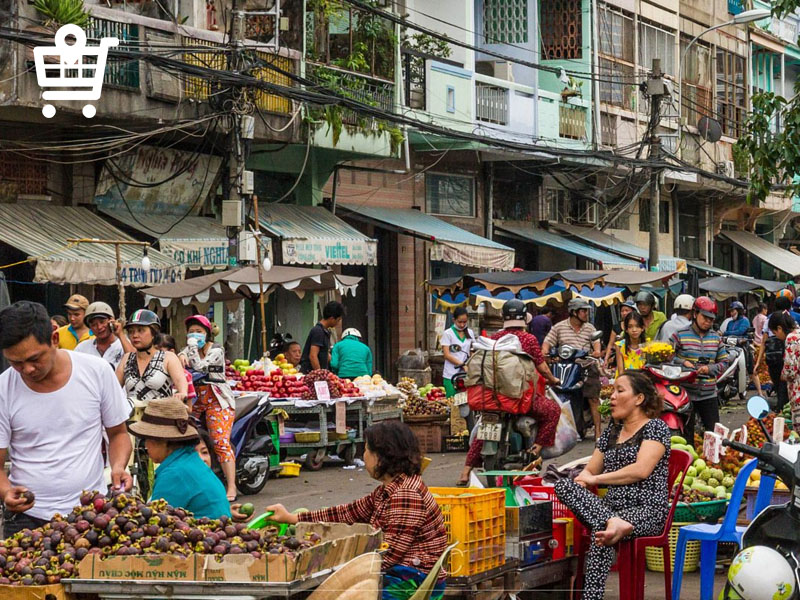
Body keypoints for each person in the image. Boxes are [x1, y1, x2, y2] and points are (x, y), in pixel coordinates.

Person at [265, 421, 448, 600]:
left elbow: (389, 554)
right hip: (399, 570)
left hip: (411, 579)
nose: (364, 455)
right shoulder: (389, 488)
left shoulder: (406, 494)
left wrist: (340, 565)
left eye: (367, 449)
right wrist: (293, 518)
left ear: (383, 456)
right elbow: (349, 513)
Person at [0, 301, 132, 536]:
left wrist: (119, 467)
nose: (28, 369)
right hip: (26, 518)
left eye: (34, 359)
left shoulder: (97, 371)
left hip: (90, 513)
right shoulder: (3, 388)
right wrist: (5, 491)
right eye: (16, 363)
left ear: (54, 339)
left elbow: (118, 433)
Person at [554, 371, 671, 600]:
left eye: (620, 390)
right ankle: (613, 524)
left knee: (601, 529)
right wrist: (583, 478)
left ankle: (592, 595)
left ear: (639, 399)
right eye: (612, 391)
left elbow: (641, 470)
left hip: (646, 511)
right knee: (564, 487)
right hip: (612, 511)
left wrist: (595, 480)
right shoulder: (612, 431)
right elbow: (591, 469)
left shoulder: (656, 428)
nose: (612, 398)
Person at [458, 299, 562, 486]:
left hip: (492, 399)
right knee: (553, 410)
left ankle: (465, 471)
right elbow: (543, 368)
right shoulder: (528, 339)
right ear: (523, 318)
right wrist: (553, 380)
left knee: (485, 430)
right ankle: (535, 450)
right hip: (520, 400)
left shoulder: (495, 338)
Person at [130, 397, 231, 519]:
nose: (145, 445)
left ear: (162, 441)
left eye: (148, 440)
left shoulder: (174, 473)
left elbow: (155, 521)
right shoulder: (190, 461)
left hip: (206, 534)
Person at [179, 314, 237, 501]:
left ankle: (231, 487)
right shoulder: (187, 349)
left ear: (207, 334)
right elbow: (178, 359)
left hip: (218, 399)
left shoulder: (216, 350)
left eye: (199, 332)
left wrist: (191, 348)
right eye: (191, 332)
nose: (195, 335)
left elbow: (201, 367)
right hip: (196, 400)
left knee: (220, 442)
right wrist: (180, 355)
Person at [542, 298, 602, 439]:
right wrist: (545, 353)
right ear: (574, 312)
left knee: (593, 397)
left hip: (585, 366)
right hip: (565, 367)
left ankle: (598, 432)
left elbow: (596, 344)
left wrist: (596, 351)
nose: (586, 314)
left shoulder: (590, 328)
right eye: (583, 311)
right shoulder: (559, 327)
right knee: (553, 394)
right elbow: (547, 343)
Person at [670, 296, 729, 437]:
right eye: (705, 317)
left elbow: (724, 363)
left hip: (709, 394)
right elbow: (669, 357)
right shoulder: (679, 335)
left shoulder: (716, 338)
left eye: (711, 319)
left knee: (713, 434)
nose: (707, 322)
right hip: (686, 394)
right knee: (686, 434)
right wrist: (684, 363)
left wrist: (709, 369)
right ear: (695, 314)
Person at [116, 309, 188, 405]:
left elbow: (180, 381)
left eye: (140, 330)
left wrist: (182, 392)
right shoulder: (127, 358)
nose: (135, 335)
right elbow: (114, 387)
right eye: (131, 331)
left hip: (161, 416)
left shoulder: (168, 357)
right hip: (132, 417)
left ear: (154, 333)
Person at [757, 295, 793, 410]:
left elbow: (764, 342)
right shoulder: (792, 318)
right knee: (783, 386)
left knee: (781, 386)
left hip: (774, 359)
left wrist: (759, 360)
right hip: (782, 359)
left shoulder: (769, 319)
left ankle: (781, 407)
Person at [75, 302, 134, 370]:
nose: (99, 327)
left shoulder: (123, 344)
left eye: (102, 322)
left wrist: (120, 334)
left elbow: (134, 361)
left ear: (111, 321)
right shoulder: (82, 348)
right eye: (94, 325)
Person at [771, 311, 800, 430]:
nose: (776, 336)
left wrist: (783, 375)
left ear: (779, 328)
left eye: (775, 332)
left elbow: (790, 370)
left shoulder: (791, 337)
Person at [299, 301, 344, 373]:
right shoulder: (318, 331)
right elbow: (313, 356)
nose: (338, 323)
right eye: (338, 320)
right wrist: (320, 375)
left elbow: (325, 353)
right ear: (332, 318)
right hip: (310, 373)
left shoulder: (325, 331)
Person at [439, 307, 475, 397]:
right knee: (452, 402)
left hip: (465, 374)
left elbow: (472, 350)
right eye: (460, 322)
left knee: (465, 403)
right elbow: (447, 355)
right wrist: (462, 364)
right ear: (454, 320)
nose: (462, 325)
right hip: (450, 374)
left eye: (464, 322)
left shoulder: (470, 333)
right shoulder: (448, 333)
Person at [155, 334, 196, 402]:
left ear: (171, 352)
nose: (155, 355)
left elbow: (189, 408)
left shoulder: (185, 375)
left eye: (159, 351)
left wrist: (179, 399)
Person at [604, 300, 636, 368]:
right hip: (619, 357)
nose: (624, 313)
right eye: (622, 311)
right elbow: (610, 344)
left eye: (627, 310)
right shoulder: (616, 327)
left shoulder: (638, 326)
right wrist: (606, 359)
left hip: (634, 356)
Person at [615, 312, 647, 376]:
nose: (634, 330)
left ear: (642, 328)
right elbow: (621, 371)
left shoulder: (648, 347)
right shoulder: (620, 346)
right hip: (624, 380)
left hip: (642, 381)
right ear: (626, 329)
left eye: (637, 326)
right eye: (630, 327)